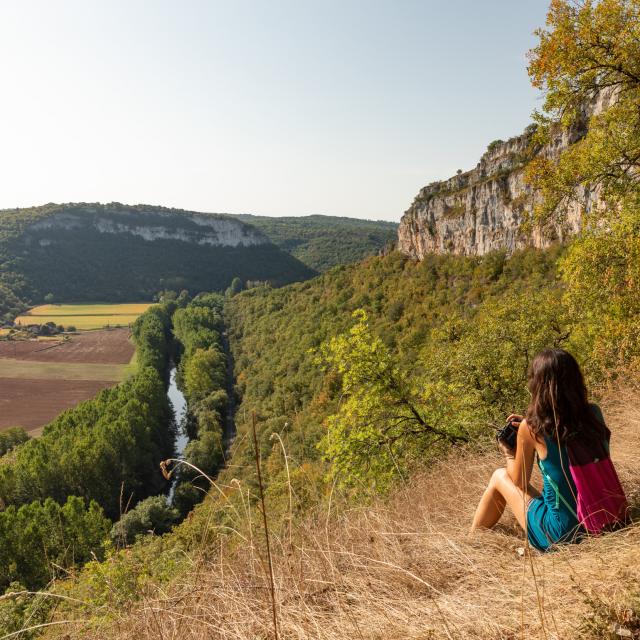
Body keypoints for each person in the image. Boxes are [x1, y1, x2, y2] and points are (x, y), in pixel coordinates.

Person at [470, 347, 619, 551]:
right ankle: (472, 540)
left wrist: (508, 452)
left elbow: (519, 481)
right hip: (605, 520)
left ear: (538, 385)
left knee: (499, 476)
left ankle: (470, 542)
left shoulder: (532, 429)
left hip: (562, 533)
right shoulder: (593, 414)